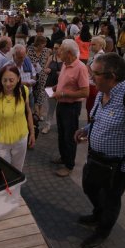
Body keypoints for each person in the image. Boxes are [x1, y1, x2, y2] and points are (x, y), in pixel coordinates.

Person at [74, 52, 125, 248]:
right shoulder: (102, 92)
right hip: (95, 158)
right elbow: (97, 119)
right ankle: (98, 213)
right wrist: (85, 130)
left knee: (111, 199)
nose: (91, 76)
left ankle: (103, 230)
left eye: (95, 73)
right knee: (89, 186)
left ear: (111, 76)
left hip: (117, 165)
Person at [0, 65, 35, 172]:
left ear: (18, 78)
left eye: (11, 80)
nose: (8, 84)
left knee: (17, 171)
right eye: (4, 80)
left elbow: (28, 112)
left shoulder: (23, 91)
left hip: (21, 139)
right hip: (1, 143)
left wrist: (32, 132)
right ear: (0, 80)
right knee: (3, 173)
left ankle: (15, 189)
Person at [51, 39, 89, 177]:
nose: (57, 52)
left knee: (69, 136)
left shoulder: (80, 67)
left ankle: (69, 165)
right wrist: (57, 87)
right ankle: (64, 157)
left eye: (60, 50)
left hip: (71, 107)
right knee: (61, 134)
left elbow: (85, 92)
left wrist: (63, 93)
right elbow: (65, 82)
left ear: (68, 53)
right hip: (61, 104)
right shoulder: (65, 64)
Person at [27, 36, 51, 119]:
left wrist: (47, 68)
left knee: (41, 93)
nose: (44, 45)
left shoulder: (46, 51)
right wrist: (31, 65)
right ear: (38, 44)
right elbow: (26, 61)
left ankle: (39, 112)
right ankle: (35, 111)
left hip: (43, 75)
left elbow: (49, 60)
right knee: (33, 93)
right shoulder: (30, 50)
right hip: (33, 75)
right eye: (43, 44)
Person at [42, 41, 63, 134]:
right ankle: (47, 125)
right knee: (51, 107)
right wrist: (47, 70)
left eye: (57, 48)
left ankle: (61, 125)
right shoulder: (51, 57)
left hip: (61, 86)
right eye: (54, 48)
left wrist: (61, 73)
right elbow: (45, 69)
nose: (55, 50)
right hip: (50, 85)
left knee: (61, 107)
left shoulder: (65, 59)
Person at [85, 36, 106, 122]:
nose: (91, 46)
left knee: (91, 109)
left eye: (94, 44)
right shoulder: (97, 55)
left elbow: (95, 74)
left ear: (100, 45)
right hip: (92, 85)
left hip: (94, 86)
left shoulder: (99, 57)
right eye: (91, 44)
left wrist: (87, 67)